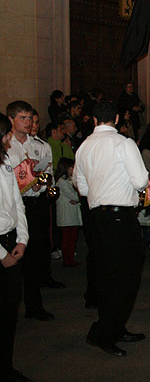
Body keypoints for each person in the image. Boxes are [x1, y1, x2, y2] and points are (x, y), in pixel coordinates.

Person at [73, 101, 148, 357]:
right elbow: (140, 181)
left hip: (96, 218)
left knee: (107, 274)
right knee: (126, 276)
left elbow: (81, 187)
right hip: (120, 217)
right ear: (116, 118)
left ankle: (114, 327)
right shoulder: (123, 143)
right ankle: (104, 332)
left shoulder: (84, 146)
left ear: (94, 120)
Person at [6, 101, 61, 324]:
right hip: (13, 204)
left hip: (35, 203)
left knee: (36, 254)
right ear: (11, 119)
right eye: (23, 118)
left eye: (30, 118)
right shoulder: (6, 145)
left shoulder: (39, 145)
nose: (28, 123)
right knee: (12, 256)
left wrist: (41, 182)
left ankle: (34, 305)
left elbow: (47, 173)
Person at [0, 112, 31, 382]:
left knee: (10, 309)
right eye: (7, 134)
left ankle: (6, 366)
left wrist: (22, 239)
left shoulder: (6, 164)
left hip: (11, 240)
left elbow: (17, 204)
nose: (9, 139)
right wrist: (0, 254)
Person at [54, 158, 82, 267]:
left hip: (72, 213)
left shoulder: (70, 180)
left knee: (73, 237)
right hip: (66, 213)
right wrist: (79, 198)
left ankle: (70, 257)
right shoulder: (62, 181)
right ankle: (67, 259)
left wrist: (78, 198)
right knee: (67, 237)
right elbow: (73, 195)